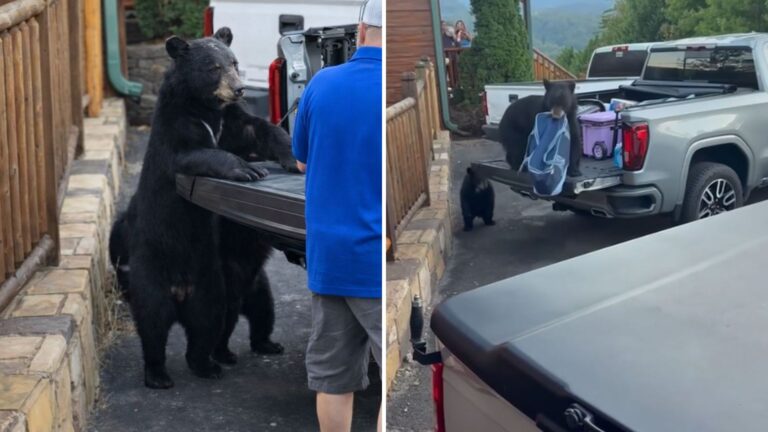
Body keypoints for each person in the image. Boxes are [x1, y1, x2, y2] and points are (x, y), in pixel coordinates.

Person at [291, 0, 382, 431]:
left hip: (329, 258)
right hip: (376, 260)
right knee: (395, 377)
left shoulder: (322, 84)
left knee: (333, 380)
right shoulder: (391, 90)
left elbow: (302, 161)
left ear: (361, 30)